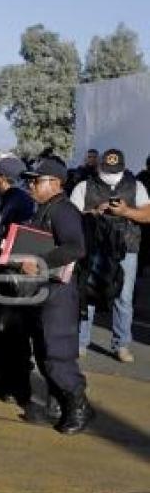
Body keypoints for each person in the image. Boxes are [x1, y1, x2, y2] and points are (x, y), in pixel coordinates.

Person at [19, 157, 93, 434]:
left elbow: (76, 247)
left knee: (57, 352)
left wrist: (39, 262)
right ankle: (57, 404)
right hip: (43, 289)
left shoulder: (63, 210)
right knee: (43, 349)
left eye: (35, 181)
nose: (30, 186)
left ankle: (78, 407)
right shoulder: (45, 208)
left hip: (59, 292)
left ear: (55, 183)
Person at [71, 148, 150, 363]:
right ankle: (80, 342)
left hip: (126, 248)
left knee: (123, 298)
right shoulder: (84, 186)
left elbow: (148, 214)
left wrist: (125, 212)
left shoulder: (135, 185)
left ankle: (121, 344)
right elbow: (71, 216)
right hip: (93, 248)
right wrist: (94, 212)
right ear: (99, 167)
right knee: (87, 294)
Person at [0, 157, 35, 402]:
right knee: (5, 328)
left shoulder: (15, 199)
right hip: (7, 269)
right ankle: (4, 374)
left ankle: (14, 384)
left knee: (10, 329)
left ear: (1, 177)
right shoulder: (18, 198)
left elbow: (1, 231)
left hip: (10, 272)